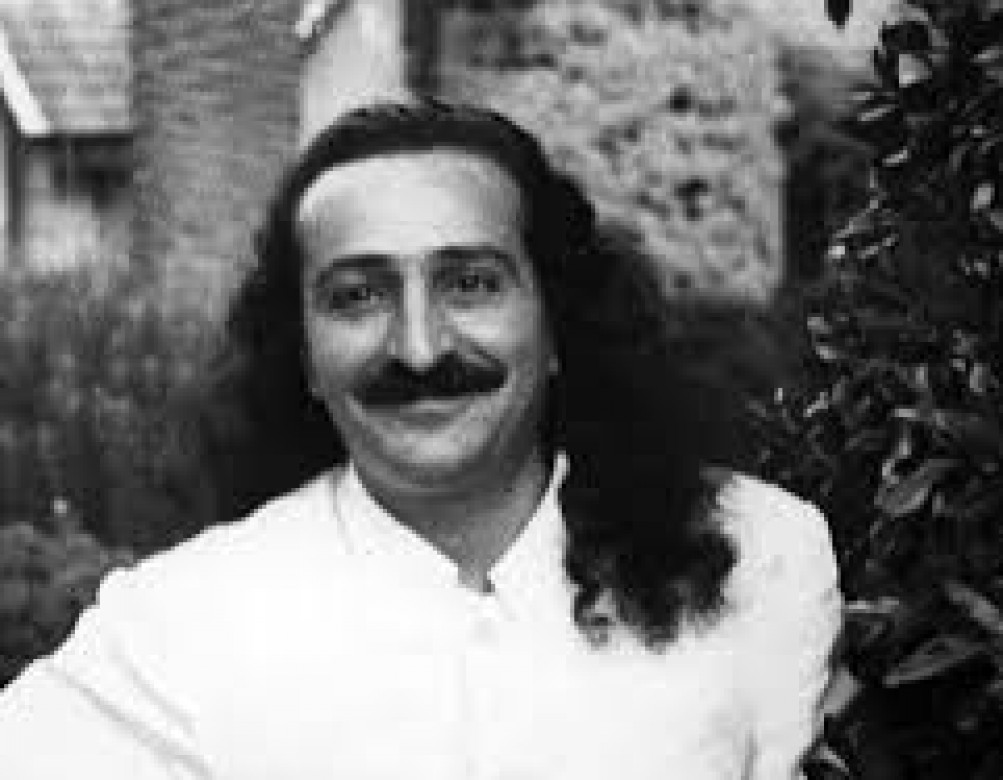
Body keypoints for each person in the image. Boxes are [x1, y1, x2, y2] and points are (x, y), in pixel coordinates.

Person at [0, 100, 842, 779]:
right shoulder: (180, 622)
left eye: (470, 283)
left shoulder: (760, 554)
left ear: (556, 324)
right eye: (357, 295)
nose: (418, 347)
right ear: (303, 355)